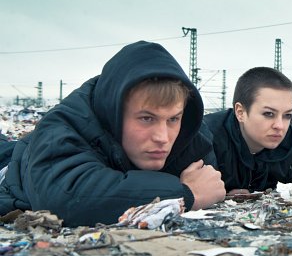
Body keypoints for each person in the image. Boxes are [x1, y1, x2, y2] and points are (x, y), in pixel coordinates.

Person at [0, 41, 226, 227]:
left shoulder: (188, 132)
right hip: (12, 165)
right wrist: (184, 194)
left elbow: (208, 180)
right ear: (114, 112)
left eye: (172, 119)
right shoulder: (62, 125)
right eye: (147, 118)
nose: (162, 136)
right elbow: (66, 197)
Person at [203, 67, 292, 193]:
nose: (280, 126)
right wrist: (222, 195)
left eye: (287, 115)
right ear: (240, 112)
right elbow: (190, 193)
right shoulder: (206, 137)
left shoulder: (286, 141)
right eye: (269, 114)